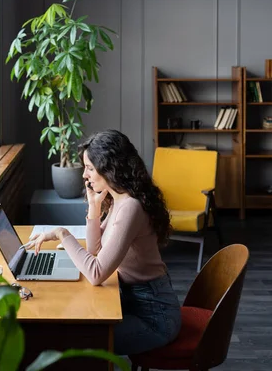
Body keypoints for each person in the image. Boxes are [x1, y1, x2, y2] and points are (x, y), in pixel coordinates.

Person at [24, 129, 181, 355]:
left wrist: (62, 234)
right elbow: (95, 250)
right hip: (131, 301)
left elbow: (96, 273)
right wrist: (94, 206)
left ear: (109, 168)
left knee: (80, 341)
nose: (84, 175)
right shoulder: (119, 199)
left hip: (155, 317)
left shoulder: (130, 207)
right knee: (73, 331)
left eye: (89, 168)